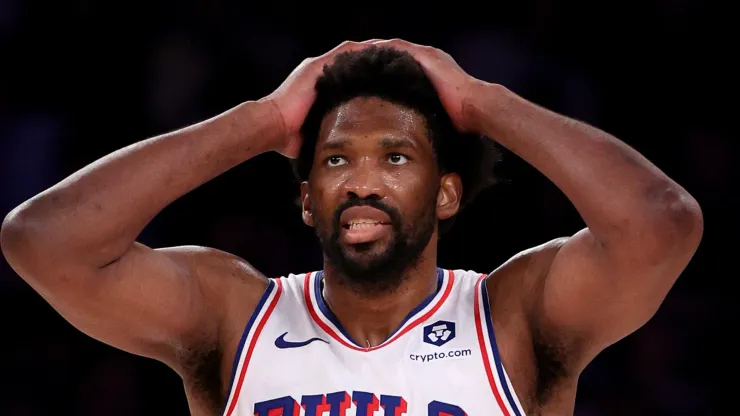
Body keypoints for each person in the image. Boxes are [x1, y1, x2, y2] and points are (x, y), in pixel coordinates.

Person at [0, 39, 703, 416]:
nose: (362, 180)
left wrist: (483, 103)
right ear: (308, 199)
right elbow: (43, 242)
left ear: (448, 193)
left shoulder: (512, 317)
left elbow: (660, 225)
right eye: (337, 159)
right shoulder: (233, 314)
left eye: (396, 157)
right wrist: (264, 121)